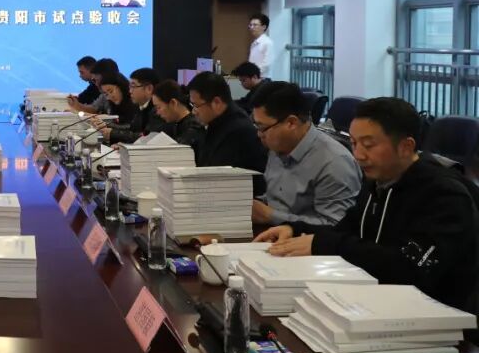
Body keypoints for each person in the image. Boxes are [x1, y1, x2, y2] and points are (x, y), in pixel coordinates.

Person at [256, 98, 479, 313]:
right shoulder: (379, 181)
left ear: (406, 146)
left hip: (432, 316)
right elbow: (343, 232)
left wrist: (326, 244)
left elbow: (410, 267)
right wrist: (295, 229)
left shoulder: (445, 195)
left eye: (369, 145)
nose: (358, 155)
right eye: (354, 143)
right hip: (373, 303)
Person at [249, 82, 361, 227]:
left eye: (262, 127)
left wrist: (271, 216)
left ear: (291, 123)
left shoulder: (334, 162)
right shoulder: (279, 145)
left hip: (305, 239)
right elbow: (276, 199)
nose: (259, 134)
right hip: (273, 233)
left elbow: (335, 226)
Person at [187, 72, 268, 195]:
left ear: (217, 102)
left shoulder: (238, 130)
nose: (194, 112)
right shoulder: (216, 123)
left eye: (196, 105)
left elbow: (215, 174)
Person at [152, 80, 205, 152]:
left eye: (159, 107)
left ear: (173, 103)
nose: (157, 112)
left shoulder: (194, 128)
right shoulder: (173, 125)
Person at [89, 72, 137, 143]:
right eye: (106, 94)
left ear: (121, 86)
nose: (109, 97)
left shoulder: (136, 101)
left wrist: (108, 125)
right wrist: (103, 124)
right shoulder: (113, 103)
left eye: (111, 91)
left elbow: (134, 129)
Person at [127, 68, 167, 138]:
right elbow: (133, 129)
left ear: (149, 89)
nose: (130, 91)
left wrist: (112, 133)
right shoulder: (139, 106)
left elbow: (146, 137)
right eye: (130, 87)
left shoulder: (158, 109)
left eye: (133, 86)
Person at [247, 13, 275, 78]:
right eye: (250, 25)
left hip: (263, 79)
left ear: (264, 27)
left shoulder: (267, 42)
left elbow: (267, 64)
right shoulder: (253, 43)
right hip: (253, 78)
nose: (251, 27)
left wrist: (253, 74)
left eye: (255, 25)